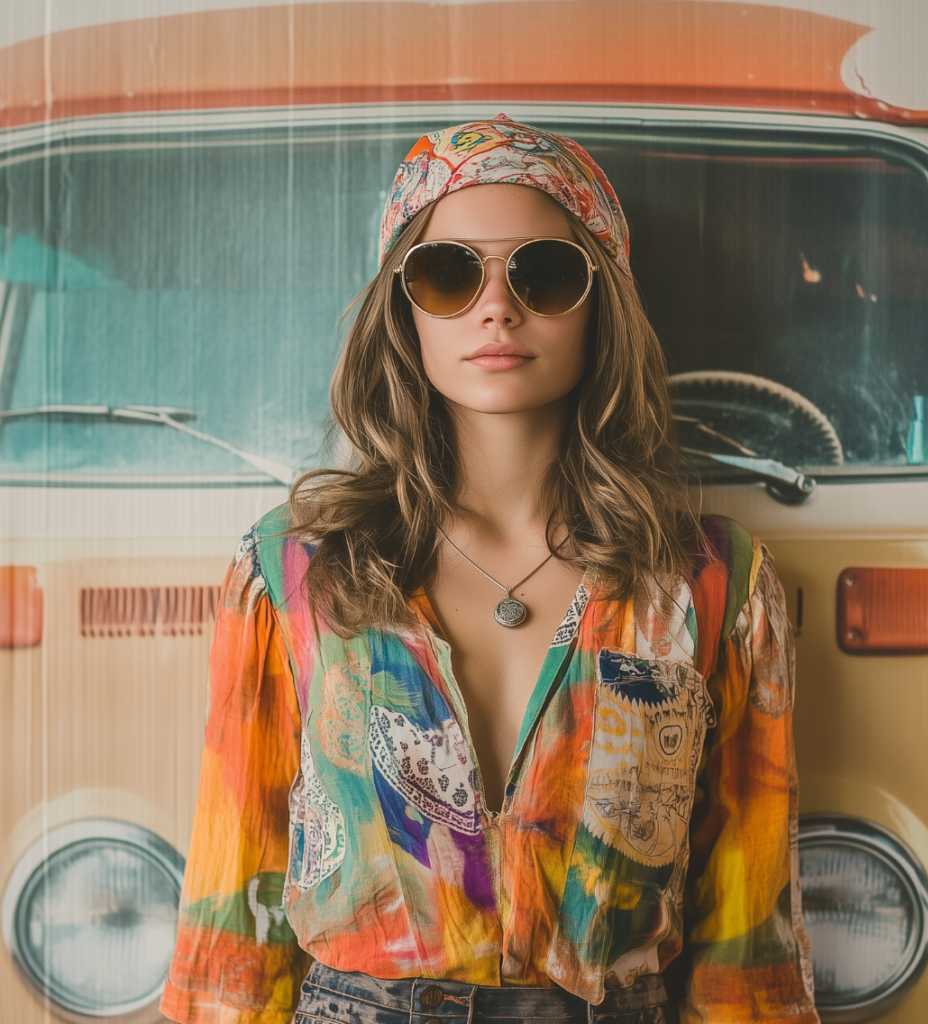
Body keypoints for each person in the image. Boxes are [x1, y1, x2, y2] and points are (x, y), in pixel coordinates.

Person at [161, 116, 818, 1024]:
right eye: (450, 273)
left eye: (544, 272)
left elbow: (750, 949)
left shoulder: (711, 584)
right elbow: (233, 925)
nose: (496, 307)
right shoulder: (297, 571)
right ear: (404, 309)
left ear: (601, 302)